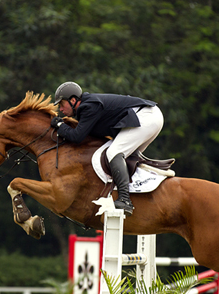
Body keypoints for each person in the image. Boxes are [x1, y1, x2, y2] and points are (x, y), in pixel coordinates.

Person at [51, 81, 164, 215]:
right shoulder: (88, 106)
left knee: (114, 152)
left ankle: (125, 200)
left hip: (146, 117)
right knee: (125, 158)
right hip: (149, 116)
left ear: (73, 100)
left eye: (61, 104)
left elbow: (77, 137)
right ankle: (138, 194)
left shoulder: (88, 107)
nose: (60, 110)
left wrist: (60, 125)